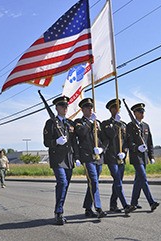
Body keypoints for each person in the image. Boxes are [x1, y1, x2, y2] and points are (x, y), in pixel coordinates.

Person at [43, 95, 78, 225]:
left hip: (69, 159)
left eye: (66, 106)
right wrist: (56, 142)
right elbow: (46, 142)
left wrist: (77, 157)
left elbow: (74, 142)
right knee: (62, 183)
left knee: (64, 186)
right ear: (56, 108)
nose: (65, 108)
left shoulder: (70, 123)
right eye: (62, 106)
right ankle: (59, 212)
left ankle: (59, 208)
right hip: (57, 159)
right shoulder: (50, 123)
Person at [101, 99, 135, 215]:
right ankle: (125, 205)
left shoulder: (123, 124)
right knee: (117, 180)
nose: (117, 110)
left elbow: (126, 140)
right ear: (110, 110)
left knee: (118, 181)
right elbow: (111, 135)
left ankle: (113, 204)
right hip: (111, 156)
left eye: (118, 108)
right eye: (114, 108)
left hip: (121, 157)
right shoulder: (105, 123)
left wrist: (125, 151)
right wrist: (115, 123)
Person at [74, 98, 106, 218]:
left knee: (93, 183)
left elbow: (103, 139)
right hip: (87, 157)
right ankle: (98, 208)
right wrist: (90, 123)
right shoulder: (79, 122)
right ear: (82, 110)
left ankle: (88, 208)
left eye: (91, 107)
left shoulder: (97, 123)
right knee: (93, 181)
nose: (90, 109)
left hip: (98, 157)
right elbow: (81, 133)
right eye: (87, 107)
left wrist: (102, 149)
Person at [126, 103, 159, 212]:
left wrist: (151, 156)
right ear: (134, 113)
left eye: (143, 111)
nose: (142, 113)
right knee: (143, 178)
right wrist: (137, 148)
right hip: (136, 156)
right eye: (139, 111)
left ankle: (133, 203)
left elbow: (149, 142)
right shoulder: (130, 126)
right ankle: (151, 202)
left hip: (144, 157)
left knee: (138, 180)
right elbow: (128, 142)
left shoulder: (146, 126)